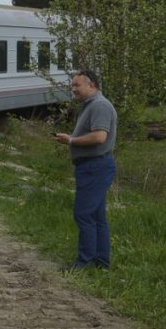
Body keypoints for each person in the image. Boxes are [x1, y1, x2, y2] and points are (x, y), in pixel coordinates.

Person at [54, 69, 118, 271]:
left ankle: (83, 262)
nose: (73, 89)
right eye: (72, 85)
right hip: (92, 166)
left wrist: (71, 140)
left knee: (83, 214)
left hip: (95, 166)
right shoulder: (91, 105)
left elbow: (99, 137)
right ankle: (101, 263)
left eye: (77, 85)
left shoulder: (99, 105)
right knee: (97, 216)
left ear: (92, 85)